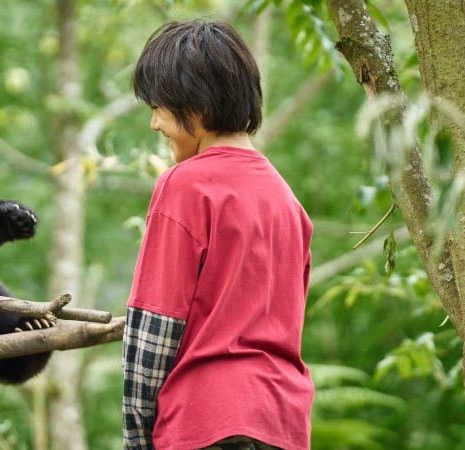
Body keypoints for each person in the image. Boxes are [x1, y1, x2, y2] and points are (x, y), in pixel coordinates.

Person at [122, 20, 313, 450]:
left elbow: (154, 328)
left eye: (159, 108)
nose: (154, 124)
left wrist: (137, 439)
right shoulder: (286, 201)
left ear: (197, 107)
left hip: (204, 422)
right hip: (283, 423)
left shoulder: (185, 185)